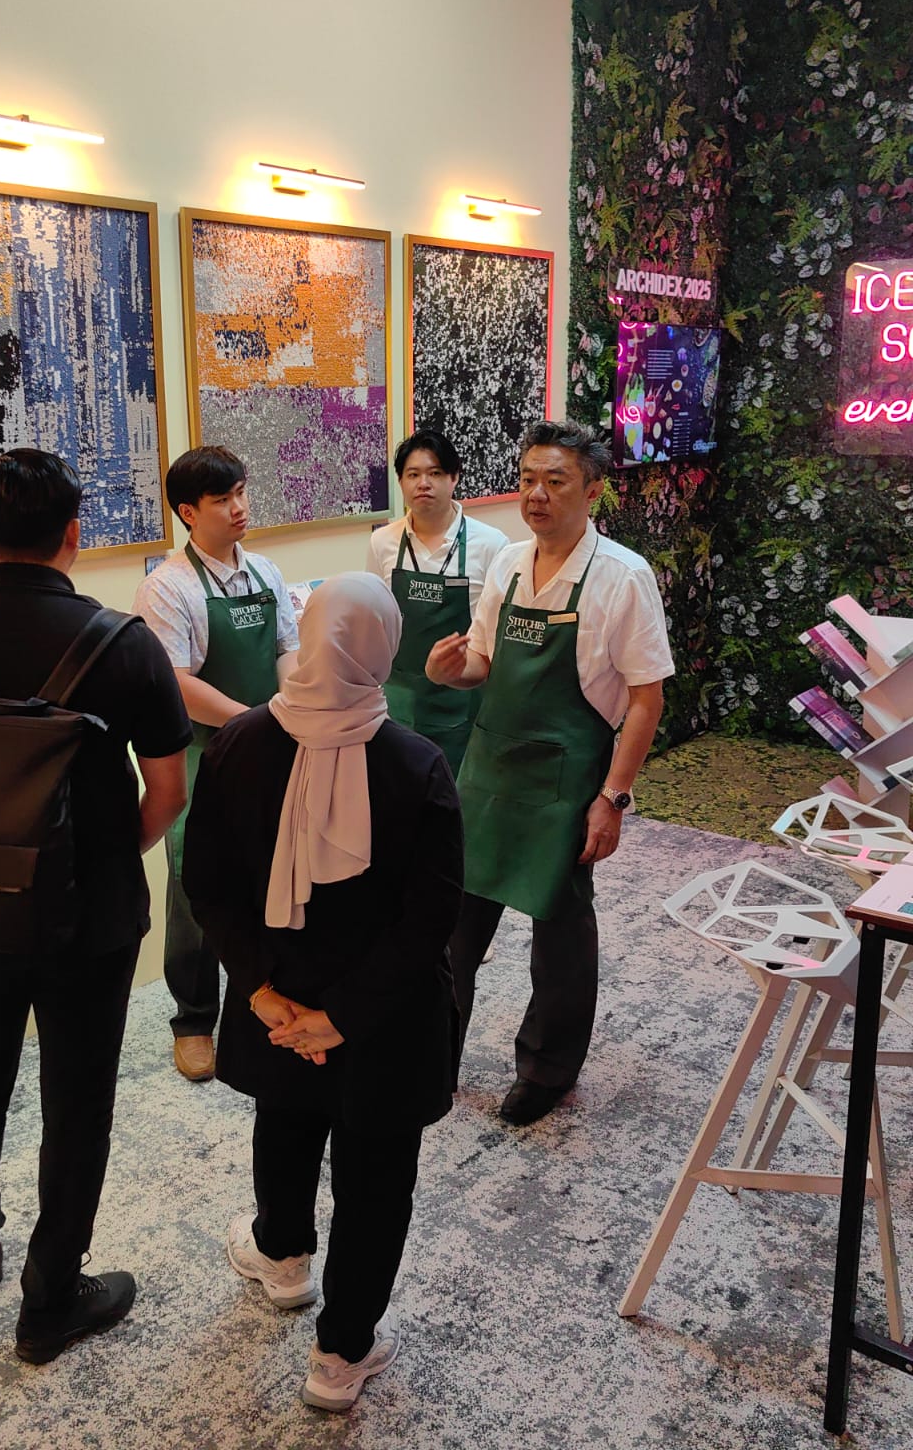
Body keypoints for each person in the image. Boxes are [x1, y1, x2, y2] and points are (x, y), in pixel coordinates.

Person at [0, 448, 191, 1363]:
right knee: (78, 1097)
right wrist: (107, 858)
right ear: (74, 534)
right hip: (88, 914)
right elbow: (168, 791)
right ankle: (51, 1296)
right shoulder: (123, 644)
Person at [184, 573, 462, 1413]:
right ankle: (341, 1355)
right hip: (385, 1020)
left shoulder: (239, 742)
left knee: (286, 1119)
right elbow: (430, 919)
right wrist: (342, 1018)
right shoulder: (416, 763)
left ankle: (282, 1258)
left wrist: (262, 992)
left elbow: (206, 884)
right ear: (383, 646)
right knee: (377, 1176)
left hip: (278, 1003)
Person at [426, 420, 673, 1126]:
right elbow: (482, 663)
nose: (535, 494)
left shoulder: (623, 576)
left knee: (559, 935)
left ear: (591, 491)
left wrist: (613, 798)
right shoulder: (508, 563)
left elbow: (646, 699)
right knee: (452, 926)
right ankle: (432, 1055)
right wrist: (450, 672)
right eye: (528, 479)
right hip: (488, 770)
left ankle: (546, 1070)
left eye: (554, 481)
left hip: (566, 780)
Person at [132, 446, 300, 1082]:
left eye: (242, 492)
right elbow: (174, 681)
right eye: (223, 499)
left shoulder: (264, 571)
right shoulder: (167, 587)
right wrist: (254, 720)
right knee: (195, 890)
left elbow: (287, 649)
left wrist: (290, 708)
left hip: (272, 744)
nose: (239, 508)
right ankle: (194, 1020)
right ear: (187, 512)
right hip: (203, 756)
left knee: (274, 874)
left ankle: (267, 996)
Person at [366, 429, 509, 776]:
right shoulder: (382, 542)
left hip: (463, 699)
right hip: (399, 698)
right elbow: (375, 617)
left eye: (435, 473)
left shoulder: (492, 544)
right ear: (400, 481)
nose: (423, 484)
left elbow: (498, 634)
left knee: (456, 791)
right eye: (413, 474)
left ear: (454, 478)